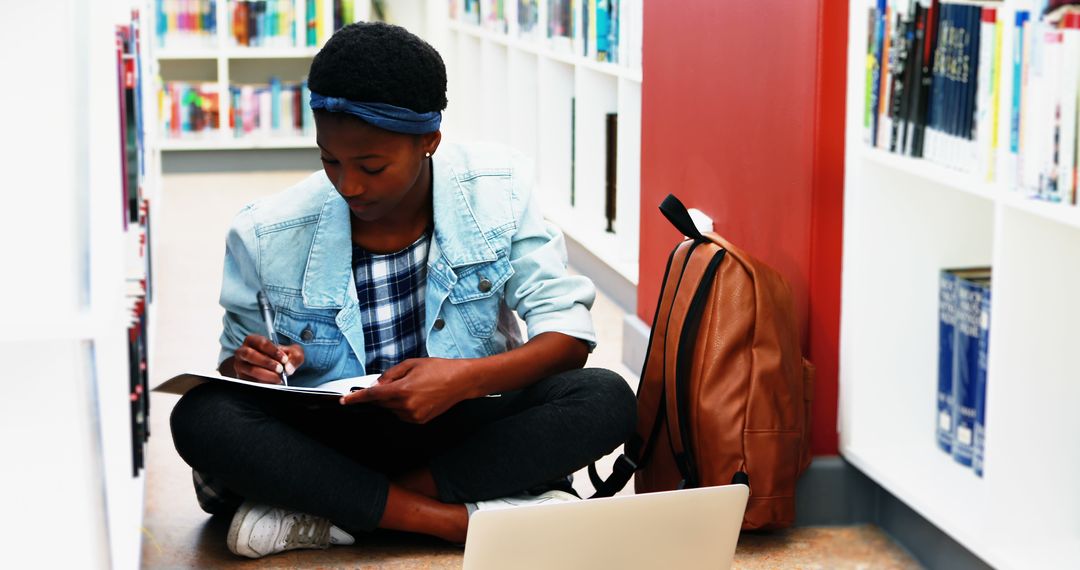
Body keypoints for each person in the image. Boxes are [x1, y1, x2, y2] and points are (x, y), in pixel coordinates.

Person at [169, 21, 637, 560]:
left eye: (371, 166)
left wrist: (462, 379)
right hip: (341, 438)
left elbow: (569, 335)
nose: (349, 185)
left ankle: (334, 511)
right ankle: (453, 520)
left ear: (429, 141)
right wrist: (252, 365)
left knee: (605, 396)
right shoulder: (265, 231)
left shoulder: (500, 192)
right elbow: (234, 363)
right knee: (203, 415)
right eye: (330, 160)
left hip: (457, 426)